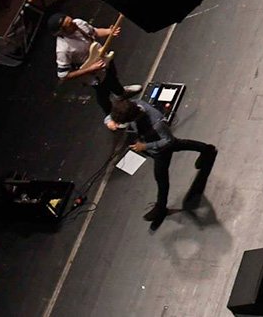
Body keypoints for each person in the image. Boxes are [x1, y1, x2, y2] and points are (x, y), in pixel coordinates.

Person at [105, 97, 218, 229]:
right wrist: (110, 121)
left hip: (161, 151)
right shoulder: (132, 105)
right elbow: (112, 116)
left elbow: (168, 141)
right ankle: (207, 149)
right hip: (152, 145)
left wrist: (145, 147)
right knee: (180, 144)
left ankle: (161, 208)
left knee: (161, 178)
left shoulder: (156, 122)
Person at [51, 12, 141, 113]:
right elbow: (63, 75)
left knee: (113, 76)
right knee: (103, 93)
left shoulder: (78, 23)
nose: (74, 24)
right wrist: (90, 69)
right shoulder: (63, 49)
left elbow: (94, 31)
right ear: (62, 31)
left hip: (103, 58)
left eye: (71, 20)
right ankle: (109, 115)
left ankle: (121, 93)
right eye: (70, 25)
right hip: (94, 74)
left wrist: (109, 31)